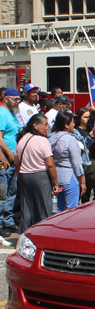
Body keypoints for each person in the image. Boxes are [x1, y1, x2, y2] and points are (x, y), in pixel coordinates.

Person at [14, 114, 59, 233]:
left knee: (27, 208)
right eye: (44, 124)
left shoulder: (22, 140)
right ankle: (44, 234)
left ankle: (25, 234)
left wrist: (20, 177)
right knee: (44, 207)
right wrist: (55, 183)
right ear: (35, 125)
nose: (46, 127)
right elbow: (50, 164)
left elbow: (16, 162)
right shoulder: (42, 140)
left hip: (24, 176)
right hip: (40, 176)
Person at [48, 112, 86, 212]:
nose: (74, 125)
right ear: (66, 124)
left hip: (56, 178)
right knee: (71, 210)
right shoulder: (70, 139)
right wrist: (82, 182)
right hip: (70, 178)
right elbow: (77, 163)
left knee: (58, 209)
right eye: (72, 122)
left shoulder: (50, 138)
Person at [0, 89, 22, 236]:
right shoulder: (2, 113)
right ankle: (1, 223)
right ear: (6, 99)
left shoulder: (13, 113)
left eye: (19, 99)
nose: (17, 102)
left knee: (12, 192)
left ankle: (8, 220)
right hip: (7, 159)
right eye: (14, 99)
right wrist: (7, 154)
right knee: (3, 192)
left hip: (15, 159)